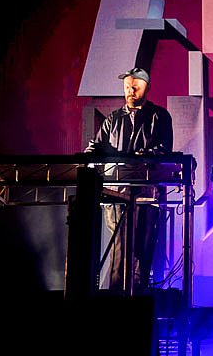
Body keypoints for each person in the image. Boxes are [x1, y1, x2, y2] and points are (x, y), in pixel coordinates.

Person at [84, 67, 174, 292]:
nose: (130, 92)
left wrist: (145, 156)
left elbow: (164, 149)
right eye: (126, 87)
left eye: (135, 87)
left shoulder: (159, 116)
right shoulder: (114, 118)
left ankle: (138, 295)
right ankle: (118, 296)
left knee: (143, 249)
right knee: (120, 248)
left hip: (147, 193)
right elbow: (97, 145)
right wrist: (88, 155)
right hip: (117, 192)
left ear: (146, 88)